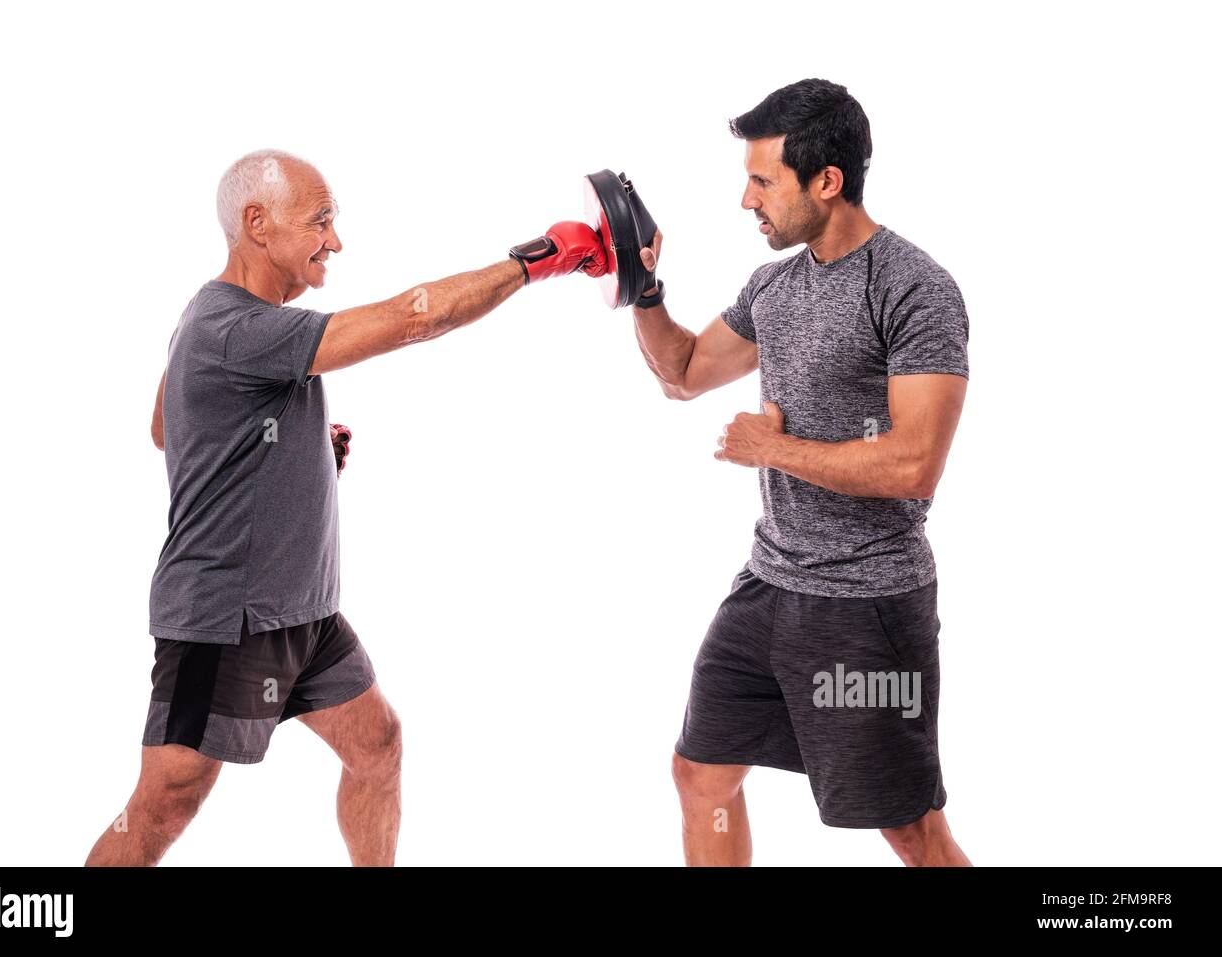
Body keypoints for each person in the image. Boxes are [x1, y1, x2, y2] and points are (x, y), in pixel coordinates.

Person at [85, 149, 604, 866]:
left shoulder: (218, 317)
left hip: (304, 613)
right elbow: (417, 317)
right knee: (162, 805)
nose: (335, 241)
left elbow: (166, 426)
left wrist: (286, 454)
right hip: (224, 619)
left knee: (377, 745)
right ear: (257, 224)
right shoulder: (235, 328)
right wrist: (538, 261)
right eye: (320, 221)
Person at [629, 79, 972, 866]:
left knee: (910, 828)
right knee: (700, 775)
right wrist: (642, 287)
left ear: (828, 181)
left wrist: (773, 448)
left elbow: (916, 462)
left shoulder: (913, 288)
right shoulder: (774, 287)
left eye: (762, 182)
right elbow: (681, 371)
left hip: (868, 605)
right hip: (769, 587)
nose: (745, 200)